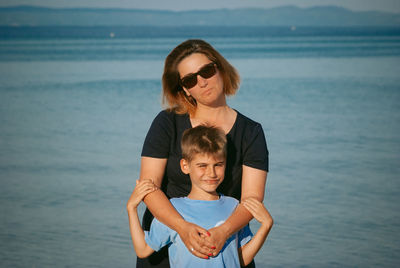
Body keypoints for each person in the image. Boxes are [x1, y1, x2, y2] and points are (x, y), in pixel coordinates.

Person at [133, 39, 269, 267]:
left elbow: (252, 200)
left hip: (226, 249)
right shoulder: (166, 123)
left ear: (220, 68)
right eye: (190, 79)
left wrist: (223, 232)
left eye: (206, 71)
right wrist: (182, 228)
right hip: (164, 248)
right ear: (185, 89)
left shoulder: (251, 132)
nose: (202, 82)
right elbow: (149, 188)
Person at [127, 125, 273, 267]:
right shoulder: (173, 209)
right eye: (202, 165)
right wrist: (131, 209)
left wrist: (265, 227)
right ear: (185, 166)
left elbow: (241, 259)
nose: (211, 173)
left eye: (218, 164)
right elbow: (143, 249)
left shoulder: (234, 207)